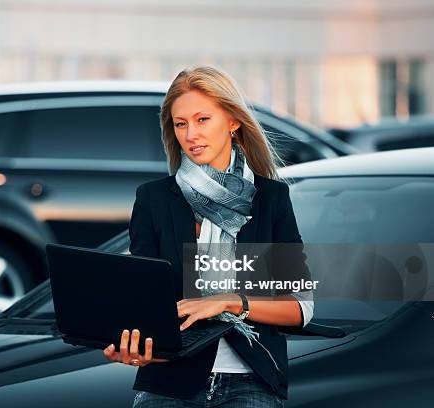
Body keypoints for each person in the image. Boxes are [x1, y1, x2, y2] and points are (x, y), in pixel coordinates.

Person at [103, 66, 314, 407]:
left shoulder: (271, 199)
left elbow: (300, 307)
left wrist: (230, 302)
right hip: (170, 381)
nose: (191, 135)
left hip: (250, 381)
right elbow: (144, 303)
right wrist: (135, 347)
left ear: (233, 121)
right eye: (181, 123)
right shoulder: (154, 199)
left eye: (203, 120)